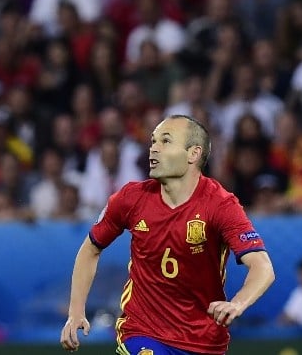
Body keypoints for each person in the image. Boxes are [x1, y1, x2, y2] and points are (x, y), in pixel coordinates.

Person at [60, 114, 275, 354]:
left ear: (193, 154)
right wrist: (75, 312)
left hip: (203, 340)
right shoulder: (130, 199)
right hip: (143, 332)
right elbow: (90, 249)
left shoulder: (220, 205)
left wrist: (237, 303)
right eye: (153, 141)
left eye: (165, 141)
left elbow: (262, 267)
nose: (153, 149)